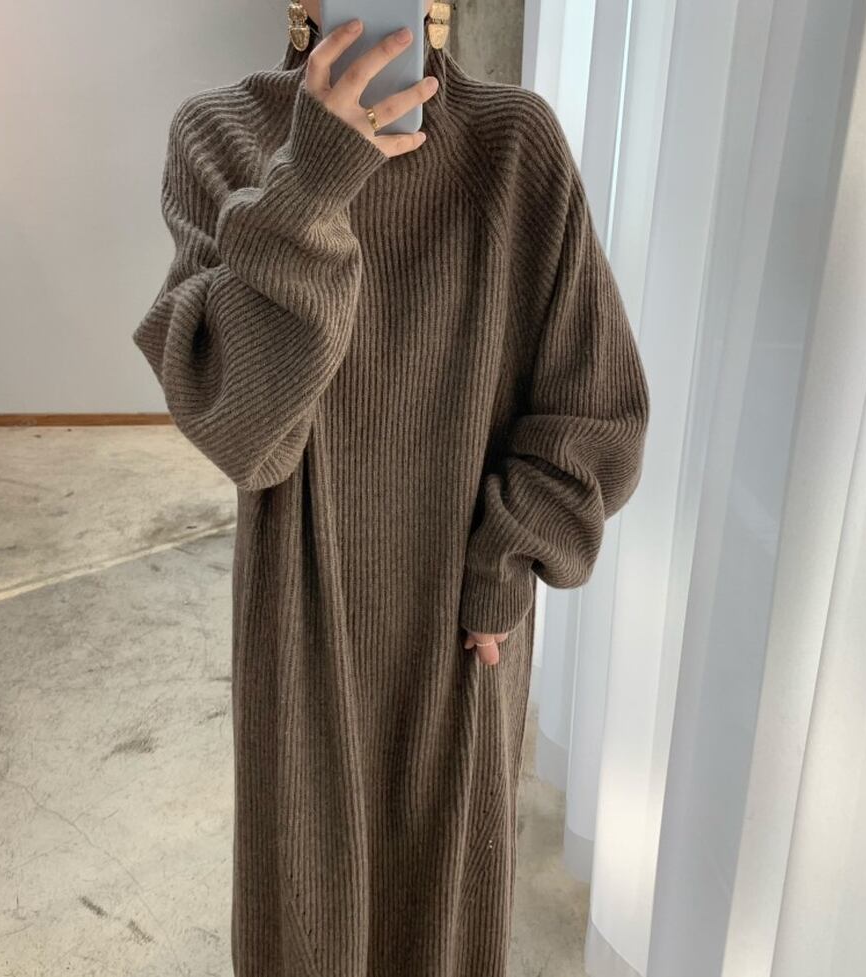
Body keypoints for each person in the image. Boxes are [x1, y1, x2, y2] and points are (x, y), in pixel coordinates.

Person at [132, 1, 650, 974]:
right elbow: (240, 427)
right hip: (303, 618)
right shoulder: (222, 134)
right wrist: (310, 184)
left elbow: (596, 403)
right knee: (304, 910)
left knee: (441, 915)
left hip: (461, 625)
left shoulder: (513, 143)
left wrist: (506, 563)